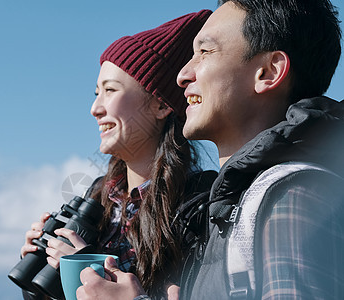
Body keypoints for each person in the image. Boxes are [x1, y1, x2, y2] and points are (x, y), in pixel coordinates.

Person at [77, 0, 344, 299]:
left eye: (204, 52)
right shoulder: (233, 206)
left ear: (268, 72)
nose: (183, 75)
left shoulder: (292, 196)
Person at [20, 10, 217, 300]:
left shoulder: (198, 204)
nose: (95, 109)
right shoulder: (99, 195)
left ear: (161, 106)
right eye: (95, 93)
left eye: (110, 91)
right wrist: (43, 268)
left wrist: (85, 263)